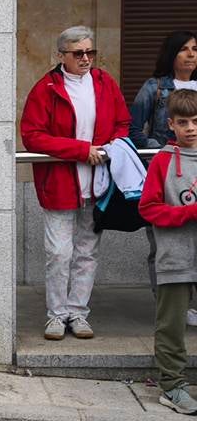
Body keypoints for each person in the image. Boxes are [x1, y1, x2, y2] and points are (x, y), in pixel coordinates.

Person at [21, 25, 130, 341]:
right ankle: (56, 315)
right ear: (61, 55)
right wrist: (82, 150)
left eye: (90, 52)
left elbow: (123, 123)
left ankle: (78, 313)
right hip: (60, 183)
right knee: (59, 253)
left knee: (87, 252)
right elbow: (32, 135)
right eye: (78, 53)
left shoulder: (104, 83)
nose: (86, 58)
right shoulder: (46, 89)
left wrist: (111, 147)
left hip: (98, 183)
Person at [138, 89, 197, 415]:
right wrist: (189, 213)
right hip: (175, 258)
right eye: (184, 122)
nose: (191, 128)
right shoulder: (162, 161)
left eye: (196, 121)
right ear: (171, 124)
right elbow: (148, 209)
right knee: (171, 327)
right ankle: (173, 387)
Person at [128, 31, 197, 297]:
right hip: (166, 172)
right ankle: (167, 302)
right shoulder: (155, 87)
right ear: (172, 54)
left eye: (194, 49)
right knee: (162, 242)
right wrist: (159, 151)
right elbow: (133, 129)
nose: (191, 54)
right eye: (184, 49)